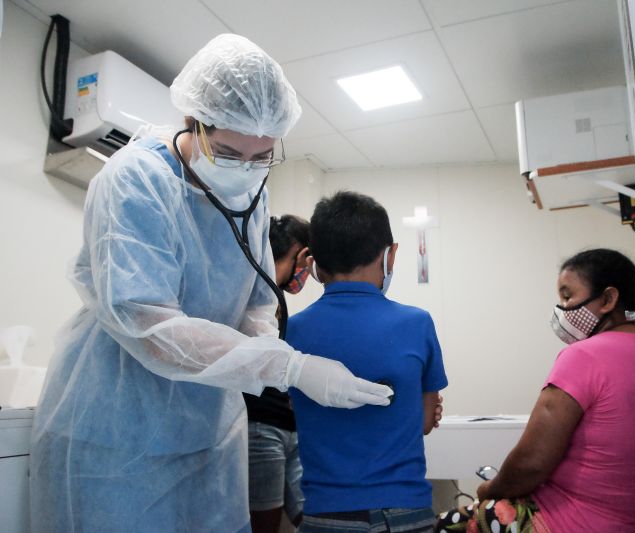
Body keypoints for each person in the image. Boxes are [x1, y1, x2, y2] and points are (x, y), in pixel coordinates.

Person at [29, 34, 390, 533]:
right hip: (117, 433)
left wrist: (273, 358)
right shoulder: (136, 179)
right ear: (191, 124)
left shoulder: (251, 193)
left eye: (261, 156)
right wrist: (288, 367)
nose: (245, 171)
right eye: (227, 152)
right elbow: (149, 324)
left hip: (206, 431)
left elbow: (258, 300)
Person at [436, 249, 635, 533]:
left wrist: (489, 489)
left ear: (607, 299)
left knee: (441, 525)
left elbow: (531, 463)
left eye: (568, 297)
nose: (562, 309)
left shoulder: (584, 356)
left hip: (567, 521)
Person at [287, 191, 449, 533]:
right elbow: (422, 421)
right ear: (390, 256)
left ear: (314, 262)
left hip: (325, 516)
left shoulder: (293, 331)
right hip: (405, 514)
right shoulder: (416, 323)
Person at [246, 214, 311, 533]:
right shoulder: (255, 290)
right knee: (265, 522)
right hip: (260, 425)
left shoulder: (274, 296)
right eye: (309, 263)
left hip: (287, 426)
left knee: (308, 515)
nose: (308, 274)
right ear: (301, 254)